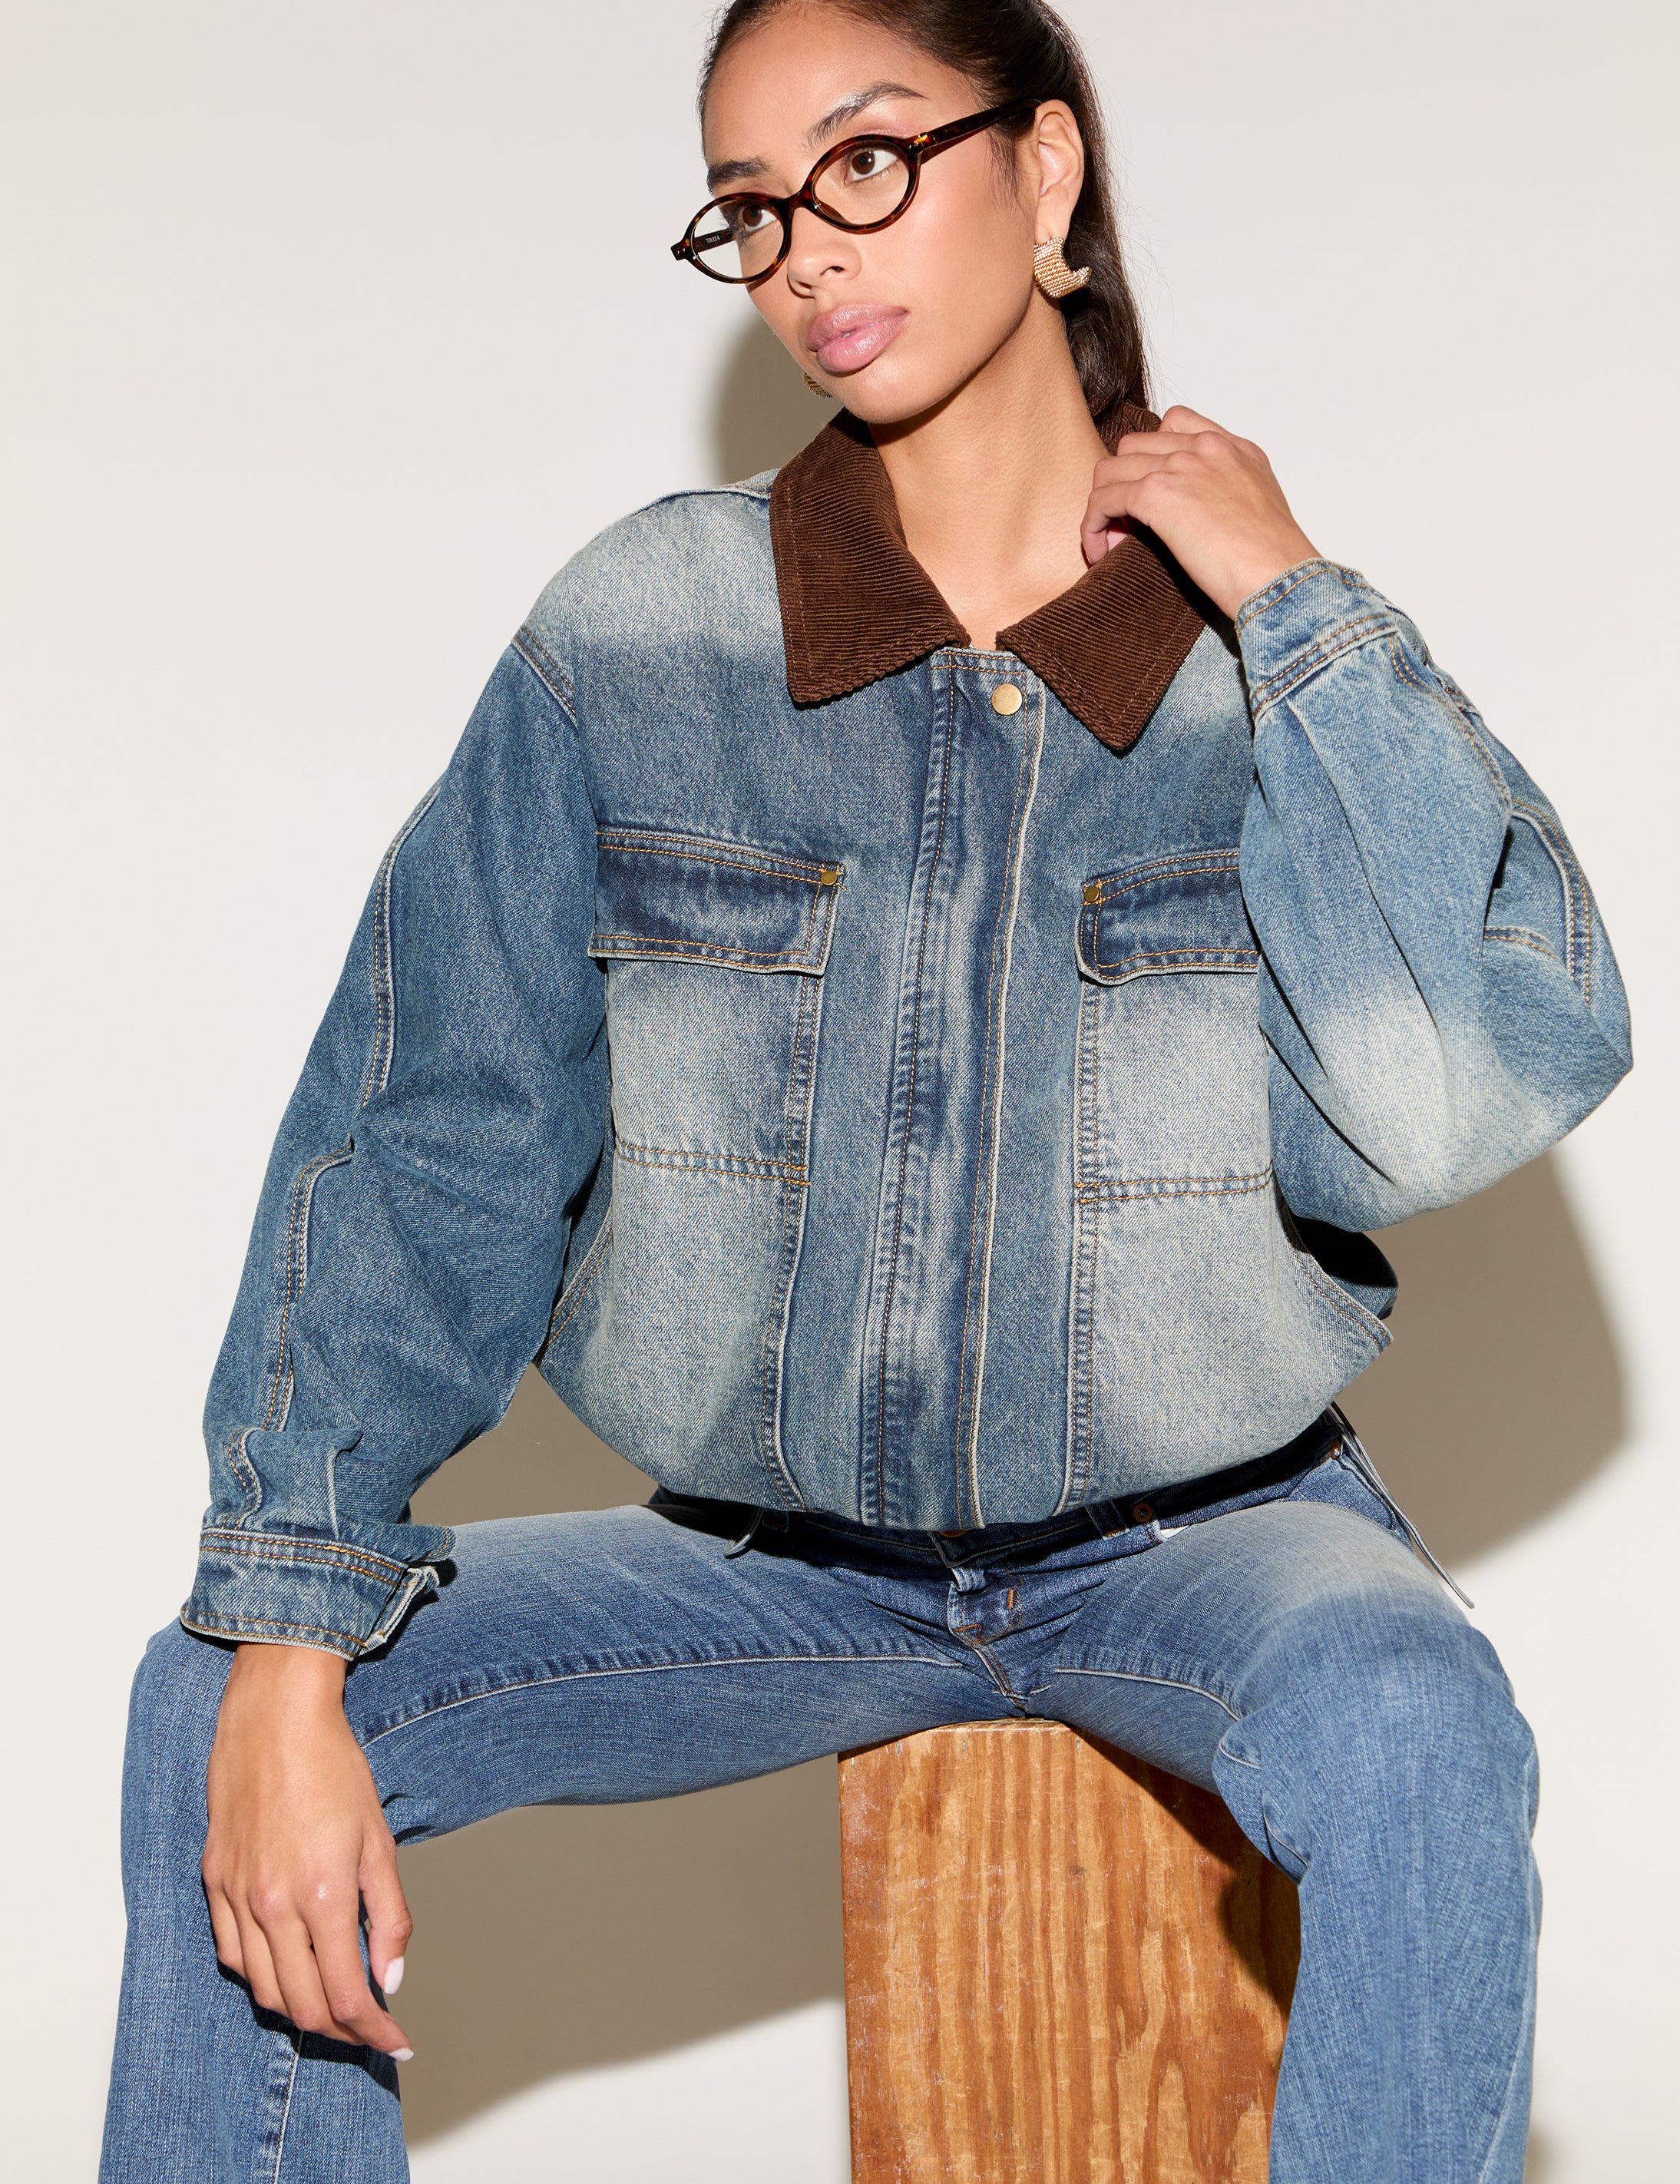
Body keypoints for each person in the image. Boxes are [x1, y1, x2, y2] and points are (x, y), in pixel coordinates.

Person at [99, 3, 1631, 2179]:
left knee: (1407, 1714)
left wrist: (1293, 601)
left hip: (1209, 1544)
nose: (805, 249)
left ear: (1052, 176)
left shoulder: (1242, 670)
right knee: (220, 1698)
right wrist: (286, 1615)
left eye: (866, 161)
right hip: (774, 1565)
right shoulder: (643, 636)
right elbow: (436, 1123)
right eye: (747, 209)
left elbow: (1444, 1103)